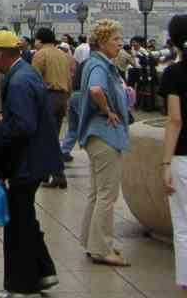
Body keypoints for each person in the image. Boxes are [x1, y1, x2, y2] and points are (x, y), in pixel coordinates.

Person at [0, 30, 61, 298]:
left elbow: (23, 126)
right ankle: (44, 272)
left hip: (27, 162)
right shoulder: (26, 72)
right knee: (25, 217)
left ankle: (20, 286)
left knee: (17, 223)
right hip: (36, 159)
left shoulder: (18, 82)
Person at [78, 19, 131, 267]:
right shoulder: (100, 65)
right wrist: (108, 110)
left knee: (97, 192)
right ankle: (102, 248)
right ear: (101, 42)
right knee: (107, 194)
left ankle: (92, 242)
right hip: (105, 134)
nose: (119, 44)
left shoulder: (95, 63)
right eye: (115, 39)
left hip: (95, 135)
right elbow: (96, 90)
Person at [161, 14, 187, 294]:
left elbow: (175, 120)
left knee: (183, 227)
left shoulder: (174, 73)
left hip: (183, 158)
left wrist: (165, 163)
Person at [32, 28, 73, 190]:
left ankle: (57, 175)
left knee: (45, 138)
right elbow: (69, 80)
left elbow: (34, 81)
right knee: (53, 136)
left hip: (47, 98)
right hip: (62, 98)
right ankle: (48, 173)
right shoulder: (63, 55)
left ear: (40, 40)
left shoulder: (39, 55)